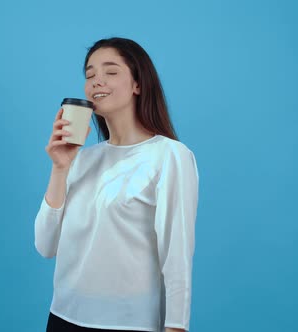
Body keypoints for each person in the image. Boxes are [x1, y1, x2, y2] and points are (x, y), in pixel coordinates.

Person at [34, 37, 199, 332]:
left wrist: (176, 327)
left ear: (138, 84)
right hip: (63, 318)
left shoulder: (169, 155)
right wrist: (59, 168)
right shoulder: (81, 160)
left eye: (110, 72)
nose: (97, 81)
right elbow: (45, 245)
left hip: (130, 324)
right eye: (90, 75)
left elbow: (177, 255)